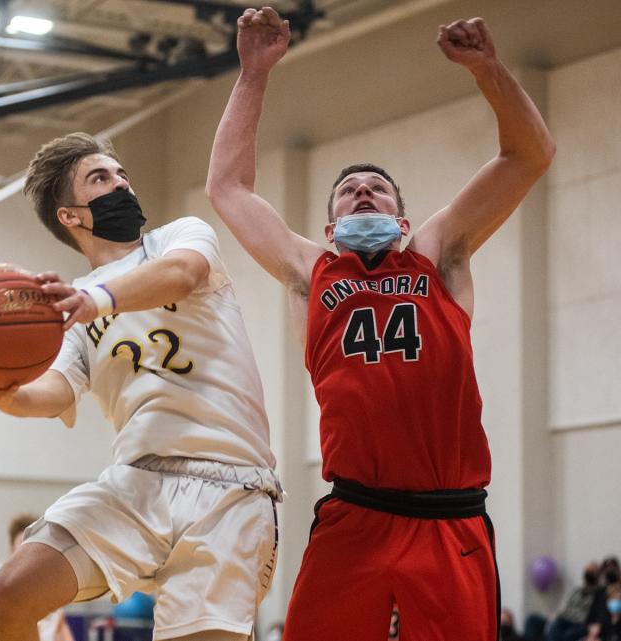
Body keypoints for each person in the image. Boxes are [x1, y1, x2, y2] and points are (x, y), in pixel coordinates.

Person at [206, 7, 554, 641]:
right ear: (332, 227)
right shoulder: (311, 271)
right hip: (356, 515)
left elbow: (530, 154)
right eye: (348, 191)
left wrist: (488, 70)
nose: (363, 191)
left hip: (450, 521)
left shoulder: (436, 255)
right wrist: (253, 72)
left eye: (379, 189)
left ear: (402, 219)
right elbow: (228, 187)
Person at [0, 131, 281, 641]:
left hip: (229, 487)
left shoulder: (176, 238)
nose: (121, 182)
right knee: (5, 596)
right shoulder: (68, 305)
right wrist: (0, 395)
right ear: (71, 215)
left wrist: (97, 300)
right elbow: (55, 393)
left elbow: (183, 275)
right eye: (100, 178)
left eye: (121, 172)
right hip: (135, 483)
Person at [0, 513, 75, 641]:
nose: (31, 552)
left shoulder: (53, 585)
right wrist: (13, 630)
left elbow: (59, 629)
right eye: (24, 546)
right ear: (12, 550)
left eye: (35, 545)